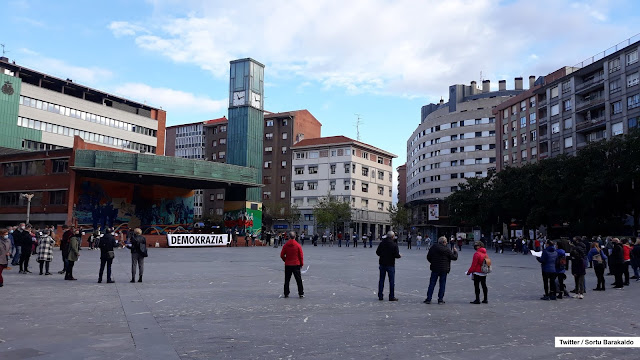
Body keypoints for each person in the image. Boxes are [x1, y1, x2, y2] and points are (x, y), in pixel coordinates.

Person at [424, 236, 458, 304]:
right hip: (444, 269)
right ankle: (440, 299)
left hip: (435, 268)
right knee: (442, 284)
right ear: (444, 242)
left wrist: (433, 262)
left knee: (432, 283)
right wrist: (455, 252)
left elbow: (428, 257)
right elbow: (454, 257)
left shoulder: (433, 247)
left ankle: (428, 298)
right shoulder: (447, 249)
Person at [376, 231, 401, 301]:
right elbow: (396, 255)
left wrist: (382, 255)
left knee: (381, 280)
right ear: (393, 236)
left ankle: (380, 295)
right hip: (390, 264)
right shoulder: (394, 244)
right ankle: (391, 296)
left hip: (382, 263)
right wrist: (399, 256)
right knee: (391, 281)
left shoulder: (382, 243)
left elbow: (377, 252)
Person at [280, 231, 304, 298]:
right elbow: (301, 256)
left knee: (287, 279)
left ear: (289, 237)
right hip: (296, 264)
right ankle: (301, 293)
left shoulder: (286, 245)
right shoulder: (298, 245)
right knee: (298, 279)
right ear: (295, 237)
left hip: (288, 264)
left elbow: (282, 255)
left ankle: (286, 293)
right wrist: (301, 264)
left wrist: (285, 260)